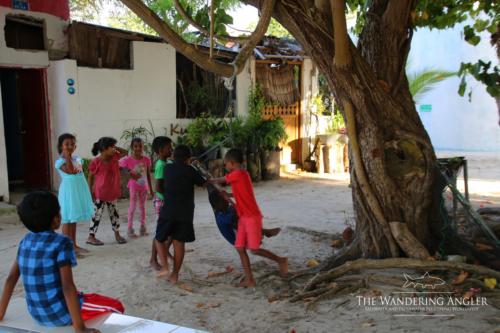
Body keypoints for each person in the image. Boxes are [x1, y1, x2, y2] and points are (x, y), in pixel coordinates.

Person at [0, 191, 124, 333]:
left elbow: (11, 279)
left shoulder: (25, 241)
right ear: (55, 219)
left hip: (37, 314)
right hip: (58, 314)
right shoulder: (62, 242)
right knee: (115, 306)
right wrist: (80, 328)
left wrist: (1, 314)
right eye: (59, 211)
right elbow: (67, 286)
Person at [207, 148, 288, 287]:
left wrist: (207, 181)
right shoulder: (242, 174)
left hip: (251, 217)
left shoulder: (237, 173)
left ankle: (281, 260)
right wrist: (230, 195)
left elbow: (220, 180)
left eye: (226, 164)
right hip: (243, 217)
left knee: (254, 249)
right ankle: (250, 280)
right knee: (240, 248)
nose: (226, 167)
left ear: (230, 162)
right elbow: (243, 192)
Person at [154, 144, 206, 283]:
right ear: (189, 159)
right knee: (179, 243)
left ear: (173, 157)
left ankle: (165, 266)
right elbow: (203, 183)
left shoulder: (167, 168)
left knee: (159, 238)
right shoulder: (190, 169)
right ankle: (175, 275)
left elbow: (176, 167)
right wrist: (197, 167)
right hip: (185, 213)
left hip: (168, 211)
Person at [55, 133, 94, 259]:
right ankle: (67, 250)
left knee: (74, 218)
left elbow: (80, 174)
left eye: (72, 144)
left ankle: (73, 245)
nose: (70, 147)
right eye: (66, 144)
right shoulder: (60, 162)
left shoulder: (78, 159)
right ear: (60, 147)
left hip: (78, 191)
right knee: (67, 220)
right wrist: (66, 157)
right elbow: (70, 171)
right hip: (68, 193)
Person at [86, 137, 129, 246]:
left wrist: (114, 147)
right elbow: (90, 177)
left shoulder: (114, 157)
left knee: (114, 214)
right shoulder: (96, 162)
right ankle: (91, 236)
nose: (115, 149)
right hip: (99, 194)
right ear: (104, 148)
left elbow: (126, 152)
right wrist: (90, 193)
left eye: (115, 147)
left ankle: (117, 234)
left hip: (112, 193)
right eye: (112, 147)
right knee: (96, 215)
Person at [208, 190, 281, 245]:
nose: (227, 202)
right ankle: (257, 235)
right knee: (237, 221)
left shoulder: (227, 208)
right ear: (216, 205)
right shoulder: (221, 217)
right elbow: (235, 217)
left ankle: (258, 234)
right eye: (224, 201)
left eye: (227, 200)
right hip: (237, 240)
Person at [120, 137, 154, 239]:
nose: (138, 148)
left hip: (144, 187)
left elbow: (148, 174)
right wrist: (131, 176)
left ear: (143, 147)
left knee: (142, 207)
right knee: (133, 207)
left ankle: (143, 228)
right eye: (135, 146)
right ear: (132, 147)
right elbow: (119, 170)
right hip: (134, 187)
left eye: (140, 146)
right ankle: (130, 229)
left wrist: (151, 190)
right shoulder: (128, 160)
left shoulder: (146, 159)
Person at [149, 136, 174, 270]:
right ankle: (153, 259)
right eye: (169, 148)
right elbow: (158, 187)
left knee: (168, 230)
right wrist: (168, 198)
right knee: (160, 231)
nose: (171, 150)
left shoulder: (167, 163)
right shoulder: (160, 165)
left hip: (166, 199)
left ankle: (164, 251)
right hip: (162, 200)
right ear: (161, 150)